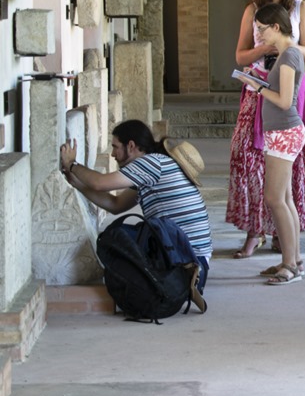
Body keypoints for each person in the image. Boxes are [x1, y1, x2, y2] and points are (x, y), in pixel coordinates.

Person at [227, 0, 305, 259]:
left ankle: (284, 233)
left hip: (289, 88)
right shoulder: (252, 9)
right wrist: (262, 48)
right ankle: (255, 229)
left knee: (288, 160)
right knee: (249, 159)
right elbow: (240, 55)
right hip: (256, 89)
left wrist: (280, 43)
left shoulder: (301, 8)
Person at [59, 120, 212, 294]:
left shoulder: (152, 163)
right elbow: (115, 205)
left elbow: (99, 183)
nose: (113, 154)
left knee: (117, 240)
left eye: (115, 147)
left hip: (188, 264)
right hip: (192, 263)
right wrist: (77, 183)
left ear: (131, 146)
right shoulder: (155, 167)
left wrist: (72, 164)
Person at [237, 3, 305, 285]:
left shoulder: (290, 55)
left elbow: (284, 100)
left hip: (285, 132)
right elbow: (279, 89)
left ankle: (290, 265)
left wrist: (258, 87)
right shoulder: (286, 53)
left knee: (274, 199)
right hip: (281, 131)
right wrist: (257, 78)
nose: (259, 36)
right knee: (285, 200)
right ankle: (293, 260)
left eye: (262, 30)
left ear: (276, 27)